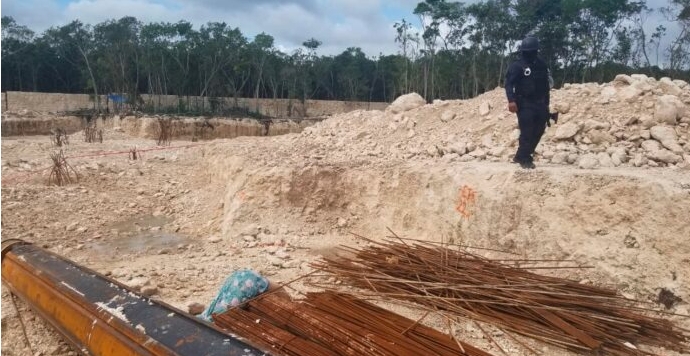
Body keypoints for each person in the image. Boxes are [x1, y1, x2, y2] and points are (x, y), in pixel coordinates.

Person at [505, 36, 553, 169]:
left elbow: (546, 86)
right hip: (524, 102)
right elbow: (509, 84)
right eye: (528, 51)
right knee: (527, 130)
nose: (530, 54)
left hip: (540, 102)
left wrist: (547, 104)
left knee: (539, 129)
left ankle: (521, 154)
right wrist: (511, 100)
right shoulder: (517, 66)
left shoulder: (542, 65)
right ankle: (525, 159)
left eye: (532, 51)